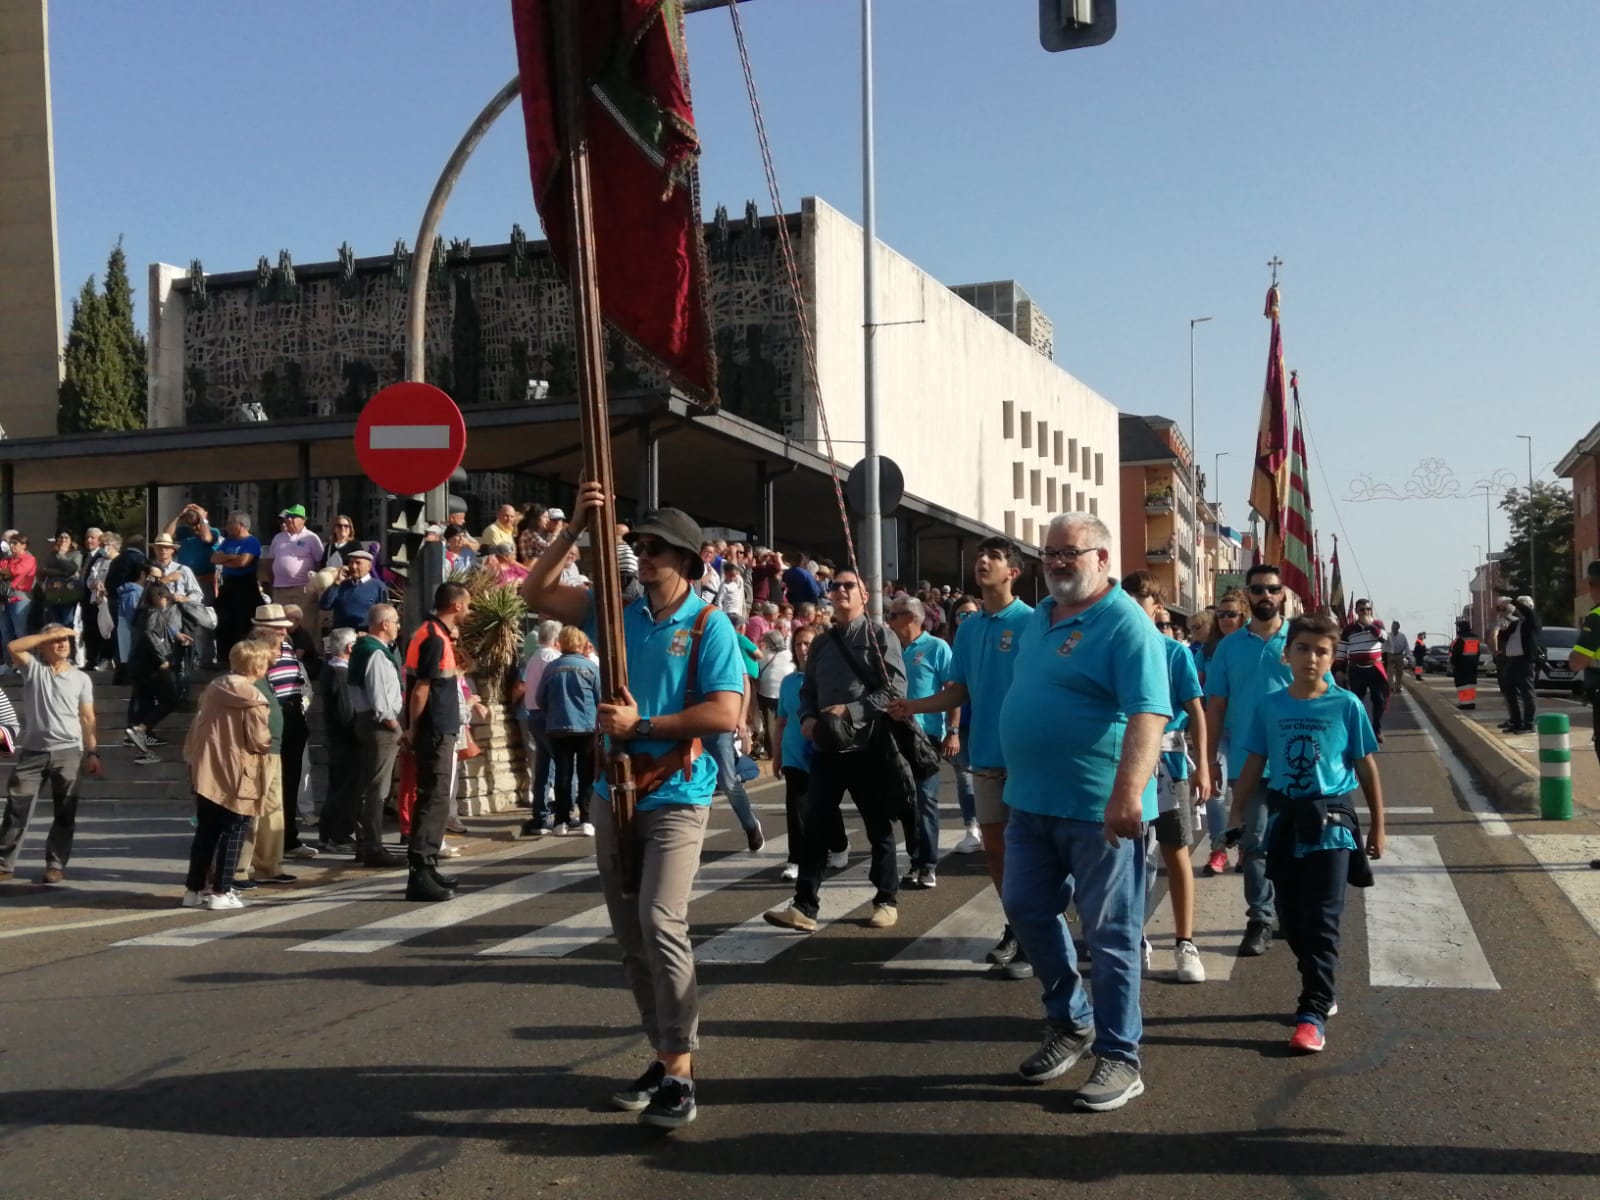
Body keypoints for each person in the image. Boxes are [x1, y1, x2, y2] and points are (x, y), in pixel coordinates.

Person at [523, 486, 745, 1131]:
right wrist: (577, 530)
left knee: (659, 920)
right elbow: (536, 595)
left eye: (656, 549)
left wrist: (643, 720)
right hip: (610, 788)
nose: (643, 556)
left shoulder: (709, 624)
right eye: (638, 546)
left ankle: (681, 1072)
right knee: (629, 937)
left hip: (676, 786)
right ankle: (663, 1053)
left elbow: (726, 713)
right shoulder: (614, 613)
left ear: (687, 560)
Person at [999, 513, 1169, 1112]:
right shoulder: (1040, 619)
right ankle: (1071, 1020)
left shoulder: (1126, 624)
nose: (1056, 562)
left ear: (1101, 558)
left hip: (1098, 810)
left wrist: (1128, 793)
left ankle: (1121, 1057)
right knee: (1023, 909)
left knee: (1111, 934)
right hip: (1030, 803)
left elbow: (1150, 712)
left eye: (1069, 553)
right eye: (1049, 552)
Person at [1229, 611, 1385, 1053]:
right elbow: (1255, 762)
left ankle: (1312, 1012)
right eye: (1303, 649)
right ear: (1288, 654)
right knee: (1293, 923)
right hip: (1286, 822)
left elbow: (1365, 766)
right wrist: (1236, 813)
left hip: (1332, 825)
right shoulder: (1271, 705)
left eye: (1321, 651)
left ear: (1334, 658)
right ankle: (1320, 983)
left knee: (1322, 920)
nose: (1311, 658)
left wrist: (1378, 825)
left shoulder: (1347, 706)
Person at [890, 536, 1033, 976]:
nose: (983, 563)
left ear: (1014, 571)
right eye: (979, 557)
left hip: (1029, 755)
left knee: (1031, 851)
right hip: (987, 753)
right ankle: (1019, 927)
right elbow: (958, 690)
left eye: (993, 557)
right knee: (996, 852)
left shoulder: (1033, 622)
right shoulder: (968, 629)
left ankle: (1039, 928)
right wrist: (912, 706)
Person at [765, 566, 908, 933]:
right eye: (836, 586)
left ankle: (886, 899)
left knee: (878, 827)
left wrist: (850, 711)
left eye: (850, 586)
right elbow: (807, 690)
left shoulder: (880, 636)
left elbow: (895, 690)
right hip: (827, 750)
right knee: (815, 827)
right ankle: (804, 905)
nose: (841, 591)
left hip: (868, 746)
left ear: (864, 595)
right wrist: (808, 719)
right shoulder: (823, 643)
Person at [1205, 563, 1303, 958]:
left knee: (1297, 846)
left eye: (1272, 589)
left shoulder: (1300, 641)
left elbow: (1324, 697)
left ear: (1283, 595)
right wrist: (1209, 759)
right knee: (1255, 843)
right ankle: (1260, 918)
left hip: (1298, 763)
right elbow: (1215, 706)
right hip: (1249, 764)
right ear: (1247, 595)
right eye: (1258, 589)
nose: (1265, 595)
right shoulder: (1229, 647)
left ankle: (1290, 912)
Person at [1121, 575, 1209, 984]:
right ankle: (1134, 935)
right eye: (1129, 596)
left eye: (1143, 597)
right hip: (1128, 765)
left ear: (1159, 606)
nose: (1135, 603)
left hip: (1170, 765)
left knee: (1176, 852)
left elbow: (1196, 711)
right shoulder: (1115, 649)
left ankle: (1185, 942)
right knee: (1132, 856)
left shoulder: (1175, 652)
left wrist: (1204, 766)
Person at [0, 626, 100, 884]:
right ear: (43, 646)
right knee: (16, 809)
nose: (62, 644)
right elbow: (13, 647)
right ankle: (4, 865)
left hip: (69, 752)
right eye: (56, 641)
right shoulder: (34, 669)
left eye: (65, 640)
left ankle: (55, 864)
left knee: (65, 813)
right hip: (33, 752)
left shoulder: (81, 679)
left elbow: (87, 717)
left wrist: (92, 751)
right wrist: (49, 633)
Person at [181, 639, 275, 909]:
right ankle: (222, 891)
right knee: (234, 830)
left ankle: (193, 889)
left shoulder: (213, 688)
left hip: (208, 768)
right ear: (256, 665)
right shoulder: (253, 697)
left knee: (206, 832)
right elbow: (258, 740)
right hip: (239, 770)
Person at [401, 582, 473, 901]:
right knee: (433, 798)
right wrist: (413, 728)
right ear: (456, 606)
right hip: (434, 730)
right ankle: (420, 870)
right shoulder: (432, 637)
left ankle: (427, 866)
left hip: (440, 728)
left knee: (438, 798)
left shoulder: (437, 634)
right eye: (467, 606)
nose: (468, 612)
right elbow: (421, 689)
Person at [886, 595, 957, 890]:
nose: (889, 621)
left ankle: (928, 865)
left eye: (894, 615)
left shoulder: (937, 648)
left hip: (925, 734)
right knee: (905, 799)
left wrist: (952, 730)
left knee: (925, 799)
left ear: (911, 618)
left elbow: (953, 690)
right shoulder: (890, 650)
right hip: (894, 732)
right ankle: (916, 859)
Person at [773, 624, 849, 881]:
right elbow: (781, 722)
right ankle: (796, 858)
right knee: (796, 807)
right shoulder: (788, 682)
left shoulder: (831, 679)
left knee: (825, 805)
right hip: (794, 753)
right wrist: (777, 755)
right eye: (798, 644)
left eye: (808, 643)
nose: (803, 649)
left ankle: (839, 844)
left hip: (822, 751)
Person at [348, 603, 405, 868]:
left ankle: (365, 844)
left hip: (366, 721)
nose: (397, 627)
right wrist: (397, 728)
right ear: (384, 624)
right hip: (379, 725)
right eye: (395, 622)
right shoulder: (376, 654)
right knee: (377, 789)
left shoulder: (363, 650)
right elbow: (381, 699)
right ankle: (373, 847)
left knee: (369, 785)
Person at [1197, 591, 1247, 876]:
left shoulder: (1249, 646)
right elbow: (1199, 690)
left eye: (1232, 614)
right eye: (1221, 614)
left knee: (1243, 793)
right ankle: (1219, 849)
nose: (1226, 619)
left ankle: (1243, 847)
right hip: (1216, 729)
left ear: (1243, 616)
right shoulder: (1208, 650)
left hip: (1244, 730)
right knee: (1214, 794)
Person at [537, 625, 600, 836]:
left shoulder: (551, 668)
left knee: (562, 775)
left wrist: (553, 713)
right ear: (581, 643)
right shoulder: (590, 668)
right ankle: (586, 819)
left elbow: (540, 698)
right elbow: (600, 697)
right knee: (586, 775)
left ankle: (561, 821)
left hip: (557, 726)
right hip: (586, 726)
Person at [125, 582, 187, 765]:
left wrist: (175, 636)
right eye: (166, 598)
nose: (167, 603)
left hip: (139, 665)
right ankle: (141, 729)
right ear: (158, 598)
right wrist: (162, 658)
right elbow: (149, 634)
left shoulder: (141, 613)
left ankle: (141, 741)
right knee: (171, 698)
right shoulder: (152, 613)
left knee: (145, 701)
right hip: (151, 666)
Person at [317, 627, 360, 852]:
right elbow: (345, 711)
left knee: (336, 787)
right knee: (345, 788)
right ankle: (339, 835)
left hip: (337, 739)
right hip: (344, 740)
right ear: (350, 647)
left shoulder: (331, 669)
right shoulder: (339, 673)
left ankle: (328, 834)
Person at [519, 619, 563, 837]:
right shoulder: (552, 658)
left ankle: (541, 815)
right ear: (556, 639)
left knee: (544, 767)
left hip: (534, 714)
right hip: (549, 715)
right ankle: (556, 814)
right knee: (560, 765)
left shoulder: (535, 656)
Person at [1335, 599, 1390, 743]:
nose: (1365, 612)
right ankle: (1357, 730)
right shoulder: (1348, 629)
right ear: (1356, 612)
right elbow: (1341, 651)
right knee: (1356, 701)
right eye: (1362, 610)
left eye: (1368, 609)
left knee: (1379, 699)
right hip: (1356, 670)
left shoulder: (1377, 624)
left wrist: (1370, 626)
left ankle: (1377, 729)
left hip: (1375, 668)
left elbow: (1383, 638)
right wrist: (1339, 669)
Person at [212, 512, 263, 666]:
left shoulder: (251, 541)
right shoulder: (228, 541)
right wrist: (234, 557)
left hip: (245, 585)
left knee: (243, 621)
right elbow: (214, 558)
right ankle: (224, 657)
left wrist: (226, 558)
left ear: (240, 525)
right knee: (224, 620)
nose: (227, 527)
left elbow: (243, 562)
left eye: (230, 523)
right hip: (228, 584)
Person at [266, 504, 323, 614]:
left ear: (303, 520)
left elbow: (318, 563)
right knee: (282, 623)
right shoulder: (278, 537)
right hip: (280, 590)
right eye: (288, 516)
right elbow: (271, 561)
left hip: (303, 590)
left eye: (294, 516)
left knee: (305, 622)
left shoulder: (311, 538)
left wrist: (313, 586)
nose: (289, 519)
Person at [1498, 595, 1541, 734]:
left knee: (1526, 693)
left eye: (1523, 606)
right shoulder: (1517, 623)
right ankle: (1516, 722)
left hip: (1524, 661)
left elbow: (1529, 613)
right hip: (1512, 660)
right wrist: (1504, 621)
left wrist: (1513, 602)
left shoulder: (1533, 621)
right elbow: (1503, 637)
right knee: (1509, 693)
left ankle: (1529, 724)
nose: (1520, 608)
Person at [319, 549, 389, 631]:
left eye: (358, 563)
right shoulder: (340, 584)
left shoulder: (378, 587)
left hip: (365, 634)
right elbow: (325, 606)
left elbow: (384, 615)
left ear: (369, 567)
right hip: (341, 634)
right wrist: (336, 583)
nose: (353, 566)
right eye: (351, 563)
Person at [38, 532, 84, 629]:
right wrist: (62, 573)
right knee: (54, 625)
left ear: (71, 540)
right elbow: (46, 570)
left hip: (68, 595)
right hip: (52, 595)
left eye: (66, 538)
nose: (63, 540)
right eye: (60, 537)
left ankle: (69, 643)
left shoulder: (76, 554)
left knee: (68, 622)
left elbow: (72, 570)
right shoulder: (51, 555)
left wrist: (61, 555)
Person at [1449, 619, 1482, 709]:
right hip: (1472, 664)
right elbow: (1478, 652)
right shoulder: (1475, 638)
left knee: (1462, 685)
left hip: (1461, 665)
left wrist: (1453, 663)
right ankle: (1471, 702)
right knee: (1471, 684)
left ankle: (1465, 703)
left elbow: (1456, 653)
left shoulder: (1461, 638)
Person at [1385, 622, 1408, 694]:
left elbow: (1406, 646)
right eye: (1392, 626)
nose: (1392, 628)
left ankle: (1398, 686)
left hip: (1399, 655)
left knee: (1399, 671)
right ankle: (1391, 686)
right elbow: (1384, 645)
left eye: (1394, 626)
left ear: (1398, 627)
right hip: (1390, 655)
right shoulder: (1388, 635)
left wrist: (1408, 656)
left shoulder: (1402, 636)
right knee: (1389, 671)